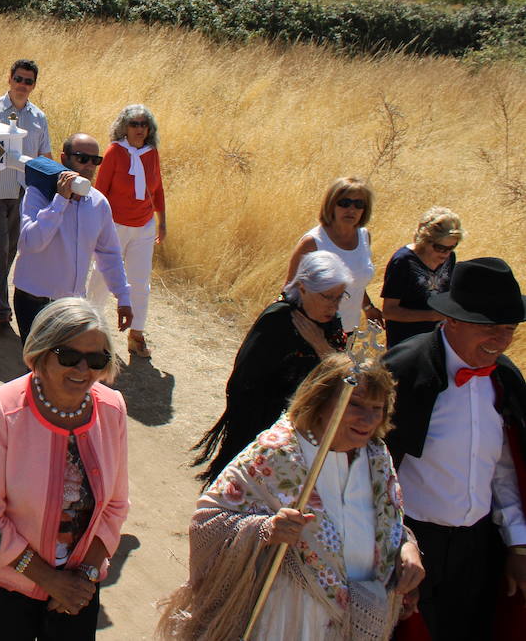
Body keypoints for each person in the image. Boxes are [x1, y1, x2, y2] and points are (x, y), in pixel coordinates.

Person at [160, 354, 424, 640]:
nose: (368, 418)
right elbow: (208, 520)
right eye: (355, 404)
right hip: (286, 620)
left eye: (377, 407)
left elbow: (386, 526)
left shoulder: (377, 459)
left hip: (357, 622)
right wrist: (265, 529)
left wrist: (407, 548)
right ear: (321, 402)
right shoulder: (277, 454)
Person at [0, 298, 130, 638]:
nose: (83, 370)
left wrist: (82, 577)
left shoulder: (111, 408)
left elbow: (115, 506)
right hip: (4, 589)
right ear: (41, 353)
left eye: (97, 359)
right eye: (69, 357)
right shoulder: (2, 410)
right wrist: (52, 581)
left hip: (78, 590)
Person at [383, 257, 526, 640]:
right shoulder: (402, 372)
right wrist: (393, 543)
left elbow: (506, 470)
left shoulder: (506, 379)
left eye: (509, 328)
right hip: (410, 545)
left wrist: (518, 545)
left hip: (478, 550)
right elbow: (368, 469)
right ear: (453, 320)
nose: (500, 339)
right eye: (489, 326)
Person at [192, 250, 352, 485]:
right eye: (327, 296)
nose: (334, 305)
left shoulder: (331, 325)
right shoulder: (278, 319)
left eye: (339, 297)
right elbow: (242, 380)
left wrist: (320, 346)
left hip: (306, 428)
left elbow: (344, 373)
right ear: (303, 287)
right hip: (261, 426)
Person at [12, 135, 132, 344]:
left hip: (71, 306)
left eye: (95, 160)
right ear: (63, 159)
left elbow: (109, 254)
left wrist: (123, 296)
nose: (89, 166)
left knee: (63, 366)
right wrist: (60, 201)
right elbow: (31, 243)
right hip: (35, 303)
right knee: (41, 369)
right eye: (82, 158)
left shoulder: (98, 203)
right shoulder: (37, 193)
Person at [0, 59, 52, 338]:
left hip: (23, 192)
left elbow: (45, 157)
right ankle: (0, 311)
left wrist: (49, 191)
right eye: (19, 78)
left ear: (34, 85)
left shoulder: (38, 118)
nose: (23, 85)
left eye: (29, 81)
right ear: (9, 78)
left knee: (7, 252)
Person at [87, 104, 167, 359]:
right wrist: (98, 227)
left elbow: (157, 189)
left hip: (143, 226)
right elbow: (99, 192)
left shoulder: (151, 153)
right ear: (124, 127)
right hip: (115, 226)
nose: (140, 129)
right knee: (102, 276)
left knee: (140, 282)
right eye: (134, 124)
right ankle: (88, 328)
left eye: (144, 124)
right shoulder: (114, 152)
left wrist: (161, 221)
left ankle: (137, 334)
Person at [287, 176, 382, 334]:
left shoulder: (364, 236)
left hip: (348, 328)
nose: (351, 210)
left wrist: (368, 308)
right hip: (315, 328)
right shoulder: (313, 242)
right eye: (344, 203)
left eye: (359, 204)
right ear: (331, 204)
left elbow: (356, 280)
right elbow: (290, 290)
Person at [380, 207, 462, 347]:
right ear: (425, 240)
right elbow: (389, 311)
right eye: (440, 248)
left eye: (452, 247)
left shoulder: (450, 258)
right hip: (406, 344)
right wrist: (432, 316)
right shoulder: (403, 261)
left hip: (438, 341)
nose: (446, 254)